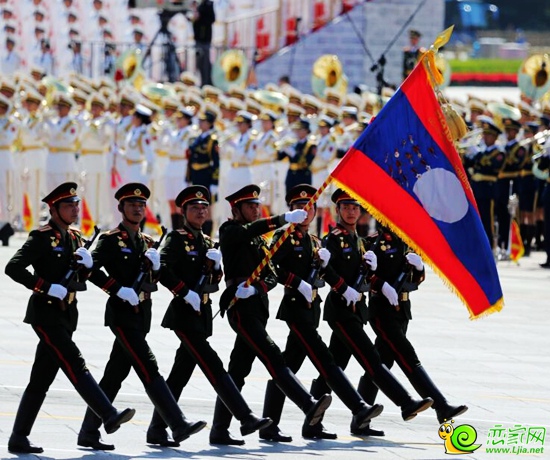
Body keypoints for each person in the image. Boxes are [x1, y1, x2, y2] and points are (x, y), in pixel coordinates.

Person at [5, 182, 135, 454]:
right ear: (53, 209)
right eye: (68, 205)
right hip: (45, 313)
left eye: (76, 204)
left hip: (67, 314)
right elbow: (13, 267)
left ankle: (18, 437)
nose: (75, 209)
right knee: (75, 363)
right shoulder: (40, 237)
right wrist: (43, 286)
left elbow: (80, 276)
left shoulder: (76, 237)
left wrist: (87, 268)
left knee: (41, 379)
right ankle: (107, 414)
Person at [77, 183, 206, 450]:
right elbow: (88, 269)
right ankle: (177, 423)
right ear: (121, 208)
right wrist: (116, 289)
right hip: (122, 315)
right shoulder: (111, 240)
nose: (137, 209)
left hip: (142, 315)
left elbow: (154, 277)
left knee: (115, 374)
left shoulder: (148, 242)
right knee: (149, 366)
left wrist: (157, 269)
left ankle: (89, 432)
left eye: (141, 205)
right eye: (132, 205)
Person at [146, 185, 272, 446]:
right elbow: (163, 269)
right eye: (195, 207)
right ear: (184, 211)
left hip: (201, 314)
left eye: (204, 207)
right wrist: (183, 292)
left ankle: (157, 429)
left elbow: (214, 281)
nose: (201, 211)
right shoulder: (176, 238)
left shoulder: (206, 241)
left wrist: (215, 268)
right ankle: (245, 416)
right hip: (184, 313)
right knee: (213, 364)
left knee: (180, 374)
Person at [258, 184, 383, 443]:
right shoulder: (285, 235)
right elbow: (271, 267)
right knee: (324, 359)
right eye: (299, 207)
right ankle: (358, 407)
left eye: (310, 207)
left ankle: (272, 424)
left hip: (311, 309)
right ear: (291, 210)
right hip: (295, 308)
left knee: (287, 367)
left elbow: (323, 274)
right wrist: (296, 282)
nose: (305, 211)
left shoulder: (314, 240)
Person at [209, 184, 332, 445]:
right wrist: (283, 219)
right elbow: (250, 230)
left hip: (256, 306)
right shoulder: (230, 230)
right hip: (240, 308)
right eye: (250, 205)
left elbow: (272, 275)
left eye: (257, 205)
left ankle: (219, 429)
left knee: (238, 369)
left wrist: (257, 288)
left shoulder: (258, 241)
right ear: (236, 209)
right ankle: (307, 404)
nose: (255, 209)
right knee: (273, 355)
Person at [307, 189, 433, 437]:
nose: (351, 212)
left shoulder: (359, 240)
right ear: (338, 211)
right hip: (341, 310)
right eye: (346, 208)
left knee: (333, 367)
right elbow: (325, 269)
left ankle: (312, 420)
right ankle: (405, 402)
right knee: (370, 357)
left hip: (356, 309)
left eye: (355, 208)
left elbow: (363, 274)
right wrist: (343, 288)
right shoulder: (332, 238)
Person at [359, 224, 469, 424]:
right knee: (406, 355)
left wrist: (419, 268)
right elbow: (364, 275)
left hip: (402, 308)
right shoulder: (372, 242)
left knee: (382, 362)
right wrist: (381, 284)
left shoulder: (408, 241)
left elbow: (416, 279)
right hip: (382, 310)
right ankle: (441, 406)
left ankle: (361, 415)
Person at [464, 117, 505, 249]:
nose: (484, 137)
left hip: (488, 191)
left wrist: (478, 154)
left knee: (488, 220)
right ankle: (477, 246)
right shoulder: (482, 152)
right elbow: (468, 164)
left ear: (494, 137)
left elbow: (492, 166)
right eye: (484, 134)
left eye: (487, 135)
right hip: (476, 189)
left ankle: (490, 247)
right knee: (476, 220)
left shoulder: (499, 153)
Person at [186, 109, 219, 236]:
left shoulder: (212, 140)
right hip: (196, 175)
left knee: (207, 207)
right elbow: (191, 159)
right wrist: (188, 177)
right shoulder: (197, 138)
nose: (200, 123)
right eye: (200, 121)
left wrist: (215, 182)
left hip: (206, 175)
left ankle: (208, 236)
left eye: (203, 121)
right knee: (196, 203)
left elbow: (216, 163)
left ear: (210, 123)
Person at [277, 118, 317, 195]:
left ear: (306, 131)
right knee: (290, 201)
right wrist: (282, 147)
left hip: (303, 176)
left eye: (300, 129)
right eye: (296, 129)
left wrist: (291, 151)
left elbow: (305, 162)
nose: (297, 132)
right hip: (291, 175)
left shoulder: (311, 146)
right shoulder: (292, 143)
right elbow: (280, 157)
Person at [190, 0, 215, 85]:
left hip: (205, 39)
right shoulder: (197, 5)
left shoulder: (208, 4)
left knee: (205, 63)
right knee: (200, 63)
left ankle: (207, 83)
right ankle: (204, 82)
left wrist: (200, 16)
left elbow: (211, 19)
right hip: (198, 39)